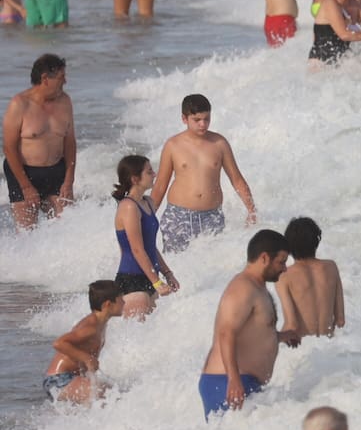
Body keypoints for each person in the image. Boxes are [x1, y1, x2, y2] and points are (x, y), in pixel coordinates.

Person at [198, 230, 300, 419]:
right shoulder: (242, 288)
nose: (285, 268)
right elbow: (226, 333)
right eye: (281, 261)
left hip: (240, 381)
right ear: (264, 258)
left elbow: (256, 334)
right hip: (226, 383)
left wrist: (282, 337)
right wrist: (234, 379)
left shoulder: (258, 288)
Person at [150, 93, 257, 252]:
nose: (203, 124)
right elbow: (160, 185)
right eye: (197, 120)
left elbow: (237, 179)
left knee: (212, 267)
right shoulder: (173, 145)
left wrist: (251, 210)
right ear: (184, 119)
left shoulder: (219, 143)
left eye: (207, 119)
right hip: (178, 216)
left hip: (212, 216)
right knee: (176, 265)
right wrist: (148, 217)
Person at [3, 54, 76, 230]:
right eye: (61, 77)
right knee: (28, 235)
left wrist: (69, 180)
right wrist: (26, 186)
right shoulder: (19, 104)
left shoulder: (65, 101)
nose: (65, 81)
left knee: (66, 229)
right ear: (45, 78)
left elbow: (70, 143)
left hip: (56, 171)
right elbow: (9, 148)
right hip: (24, 173)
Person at [111, 155, 178, 320]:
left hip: (149, 277)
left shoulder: (147, 202)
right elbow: (136, 249)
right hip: (131, 280)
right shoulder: (128, 207)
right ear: (135, 179)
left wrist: (168, 273)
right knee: (133, 340)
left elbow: (150, 246)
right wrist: (156, 281)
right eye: (149, 172)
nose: (154, 174)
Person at [43, 281, 124, 405]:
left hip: (73, 378)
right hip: (58, 380)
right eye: (121, 299)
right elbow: (59, 343)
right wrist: (87, 358)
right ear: (108, 304)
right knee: (105, 395)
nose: (124, 303)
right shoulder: (90, 326)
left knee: (117, 393)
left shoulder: (101, 324)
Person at [278, 217, 345, 338]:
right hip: (331, 348)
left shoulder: (284, 277)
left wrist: (273, 343)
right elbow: (340, 320)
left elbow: (292, 325)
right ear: (316, 241)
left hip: (304, 352)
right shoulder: (331, 267)